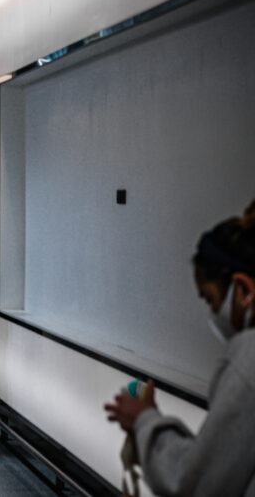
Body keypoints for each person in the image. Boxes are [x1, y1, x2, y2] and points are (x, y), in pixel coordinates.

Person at [105, 200, 255, 496]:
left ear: (244, 290)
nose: (213, 313)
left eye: (210, 299)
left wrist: (144, 421)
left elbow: (195, 483)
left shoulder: (248, 362)